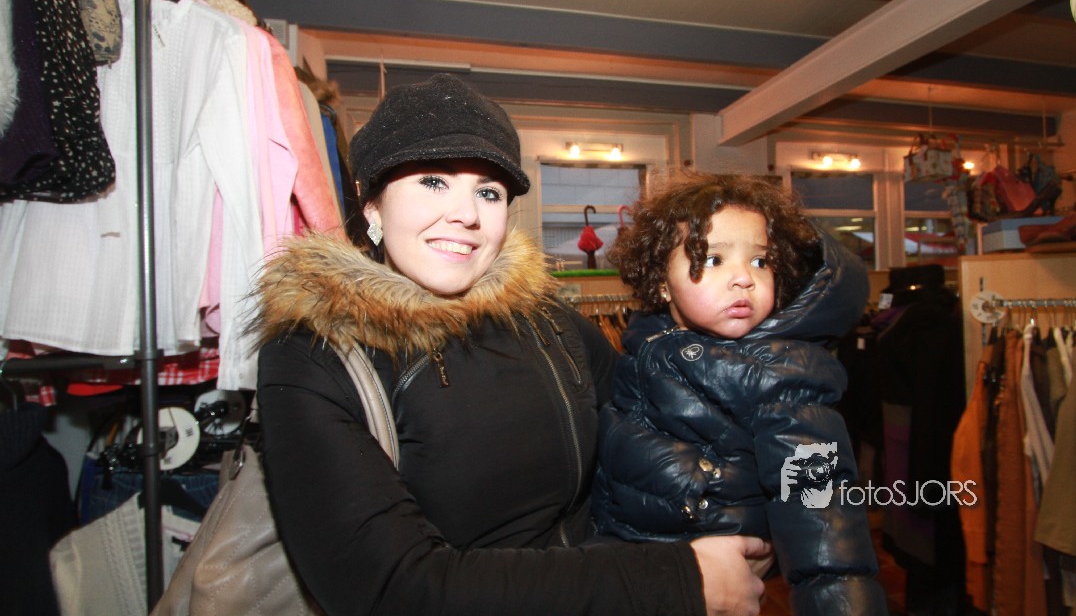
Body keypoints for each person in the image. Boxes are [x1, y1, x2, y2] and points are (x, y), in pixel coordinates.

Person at [249, 73, 770, 616]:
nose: (466, 214)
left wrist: (779, 516)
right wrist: (677, 579)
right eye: (433, 181)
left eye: (488, 192)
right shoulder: (314, 354)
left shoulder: (551, 324)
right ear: (372, 204)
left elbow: (688, 428)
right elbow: (389, 588)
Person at [593, 172, 888, 615]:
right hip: (633, 573)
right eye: (713, 259)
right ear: (660, 282)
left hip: (712, 585)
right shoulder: (643, 346)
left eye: (760, 261)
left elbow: (823, 515)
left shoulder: (782, 378)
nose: (744, 279)